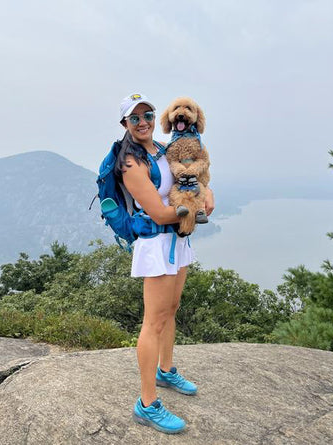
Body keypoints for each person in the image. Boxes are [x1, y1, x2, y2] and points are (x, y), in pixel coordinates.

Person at [115, 93, 214, 434]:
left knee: (171, 309)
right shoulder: (130, 163)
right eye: (135, 118)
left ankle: (166, 370)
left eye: (148, 115)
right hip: (156, 242)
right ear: (125, 125)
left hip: (178, 238)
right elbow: (157, 211)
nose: (143, 122)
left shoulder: (161, 148)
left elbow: (195, 175)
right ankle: (146, 404)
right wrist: (196, 210)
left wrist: (205, 192)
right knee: (153, 322)